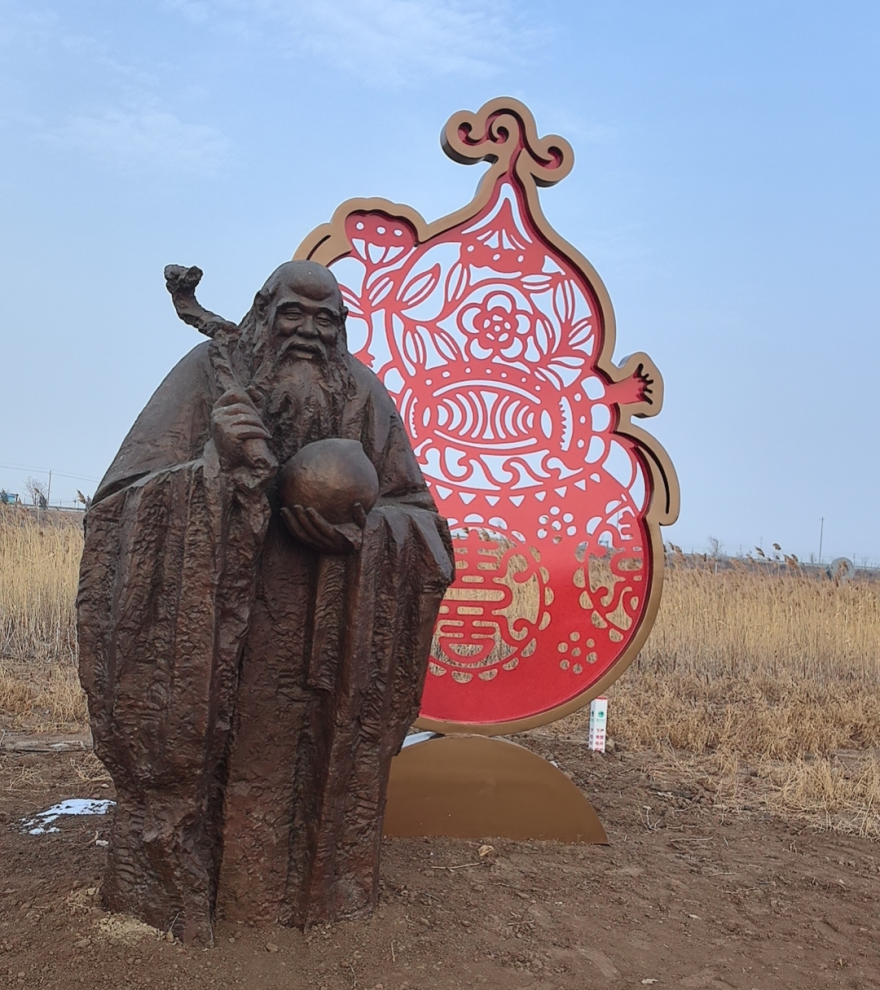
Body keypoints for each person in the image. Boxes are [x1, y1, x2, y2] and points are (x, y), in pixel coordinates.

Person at [77, 261, 454, 943]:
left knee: (312, 785)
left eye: (325, 319)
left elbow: (422, 522)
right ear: (263, 312)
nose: (308, 331)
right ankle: (182, 898)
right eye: (293, 314)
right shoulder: (207, 375)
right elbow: (118, 503)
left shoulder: (364, 395)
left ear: (342, 327)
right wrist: (213, 472)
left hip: (322, 643)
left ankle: (312, 898)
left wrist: (363, 527)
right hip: (213, 639)